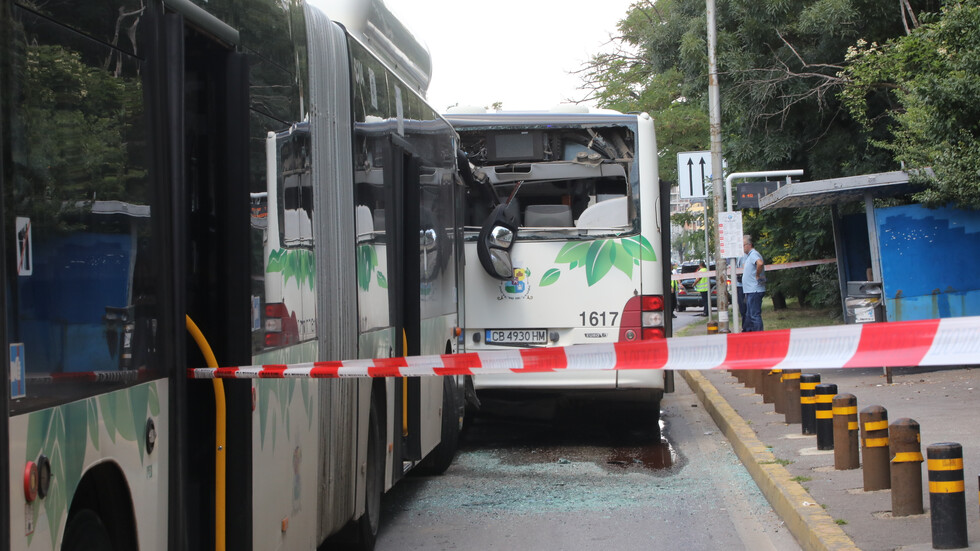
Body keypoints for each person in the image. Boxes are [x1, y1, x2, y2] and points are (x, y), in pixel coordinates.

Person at [741, 235, 766, 332]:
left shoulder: (754, 254)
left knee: (754, 315)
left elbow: (759, 263)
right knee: (749, 315)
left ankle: (759, 335)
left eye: (743, 245)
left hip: (754, 290)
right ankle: (750, 333)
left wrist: (757, 275)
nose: (742, 248)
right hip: (751, 290)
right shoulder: (749, 256)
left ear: (749, 245)